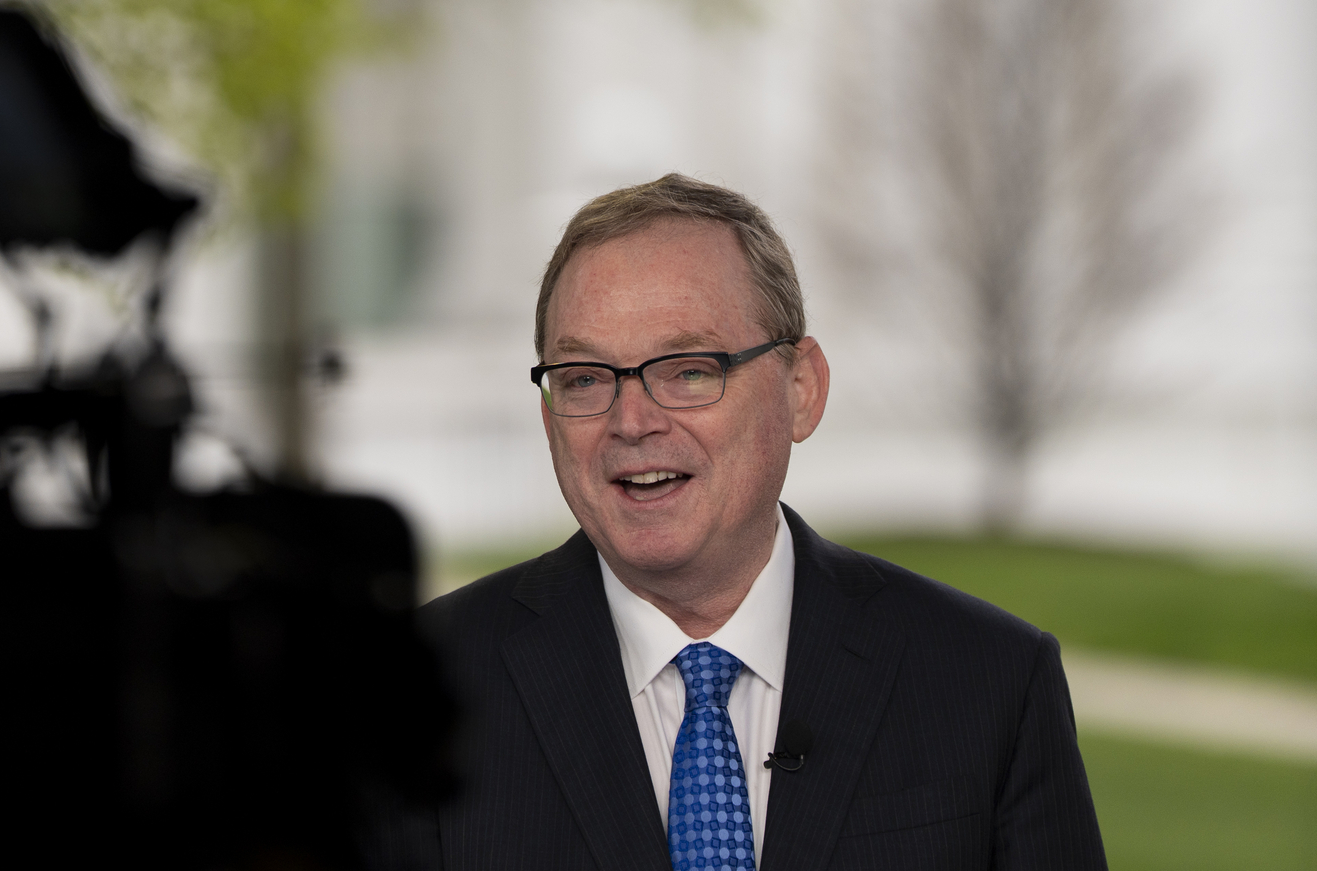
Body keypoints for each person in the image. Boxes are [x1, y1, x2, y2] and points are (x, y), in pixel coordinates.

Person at [401, 174, 1108, 871]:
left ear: (802, 389)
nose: (633, 420)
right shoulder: (411, 687)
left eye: (688, 369)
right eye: (585, 377)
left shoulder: (990, 684)